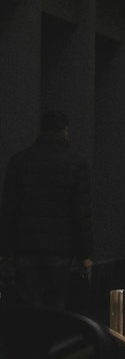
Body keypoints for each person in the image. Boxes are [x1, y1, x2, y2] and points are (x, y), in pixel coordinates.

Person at [0, 110, 93, 309]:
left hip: (26, 245)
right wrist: (85, 254)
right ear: (65, 131)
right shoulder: (76, 163)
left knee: (29, 301)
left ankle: (31, 337)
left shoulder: (20, 161)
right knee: (56, 302)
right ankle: (51, 337)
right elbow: (81, 212)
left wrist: (5, 248)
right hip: (61, 247)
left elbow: (9, 208)